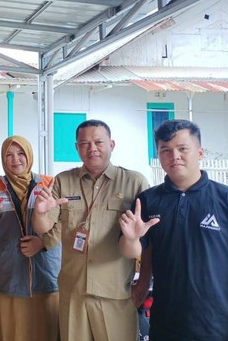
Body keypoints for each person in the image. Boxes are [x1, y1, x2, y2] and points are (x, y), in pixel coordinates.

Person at [119, 119, 228, 341]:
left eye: (182, 149)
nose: (174, 156)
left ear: (200, 153)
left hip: (221, 326)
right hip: (167, 324)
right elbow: (130, 251)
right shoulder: (147, 201)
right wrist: (131, 238)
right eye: (165, 150)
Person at [33, 119, 149, 341]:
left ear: (112, 144)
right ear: (77, 147)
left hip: (116, 294)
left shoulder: (134, 182)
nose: (92, 148)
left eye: (99, 142)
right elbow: (44, 228)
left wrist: (142, 286)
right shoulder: (62, 181)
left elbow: (148, 242)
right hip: (72, 292)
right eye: (84, 143)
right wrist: (39, 212)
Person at [0, 135, 61, 340]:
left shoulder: (49, 184)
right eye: (9, 155)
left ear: (29, 156)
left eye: (21, 153)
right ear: (3, 159)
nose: (16, 159)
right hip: (10, 269)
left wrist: (42, 243)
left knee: (46, 328)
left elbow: (63, 224)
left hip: (44, 269)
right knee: (11, 329)